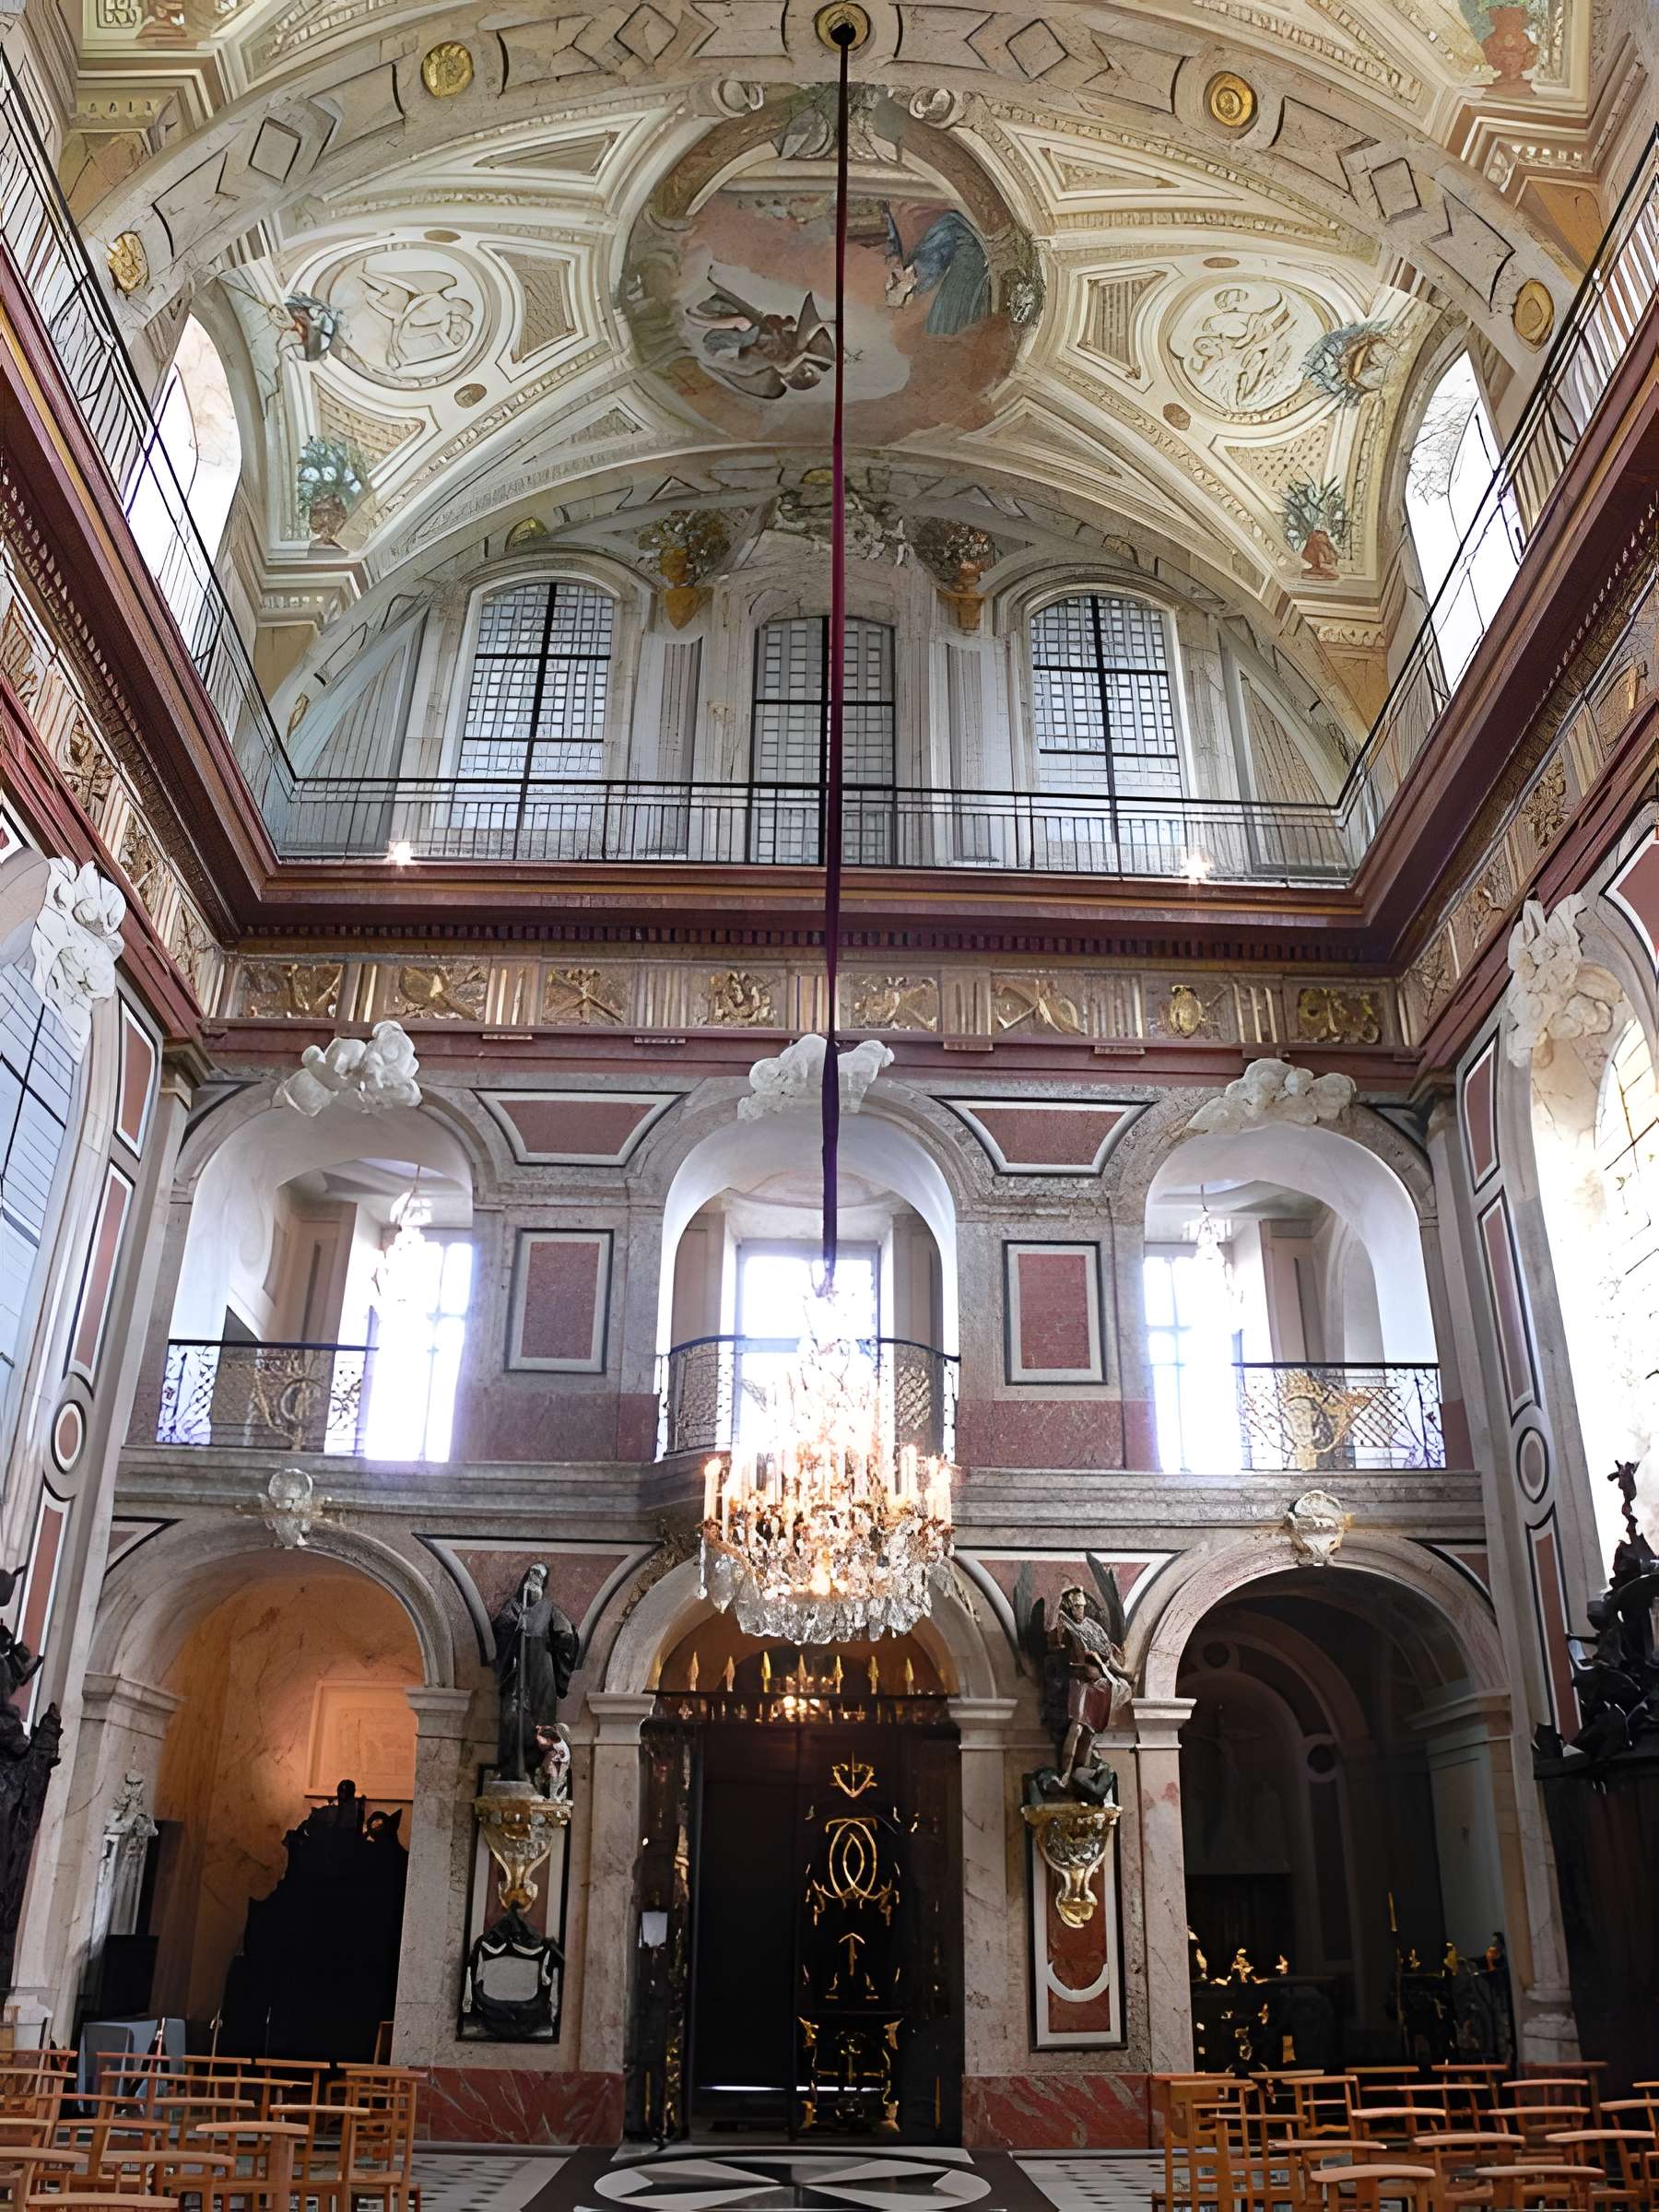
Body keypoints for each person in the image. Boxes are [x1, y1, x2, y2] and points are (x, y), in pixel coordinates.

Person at [491, 1565, 580, 1784]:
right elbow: (500, 1627)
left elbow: (566, 1632)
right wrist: (515, 1624)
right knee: (512, 1715)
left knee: (540, 1717)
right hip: (518, 1668)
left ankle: (534, 1768)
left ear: (544, 1583)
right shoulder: (514, 1606)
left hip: (542, 1667)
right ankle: (512, 1767)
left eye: (539, 1576)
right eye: (532, 1575)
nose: (535, 1580)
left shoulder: (549, 1608)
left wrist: (562, 1639)